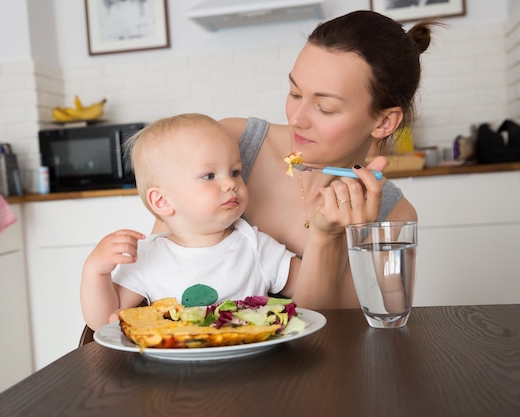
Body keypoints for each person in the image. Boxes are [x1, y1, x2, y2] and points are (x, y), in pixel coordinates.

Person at [156, 11, 434, 309]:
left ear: (384, 122)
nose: (296, 119)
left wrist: (330, 239)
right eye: (295, 92)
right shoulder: (230, 146)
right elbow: (156, 270)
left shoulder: (390, 217)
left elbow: (340, 338)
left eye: (326, 108)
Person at [81, 113, 314, 330]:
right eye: (209, 176)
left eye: (235, 172)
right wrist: (95, 272)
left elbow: (312, 293)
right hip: (174, 368)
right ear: (161, 201)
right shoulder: (148, 256)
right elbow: (105, 322)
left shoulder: (256, 246)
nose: (231, 183)